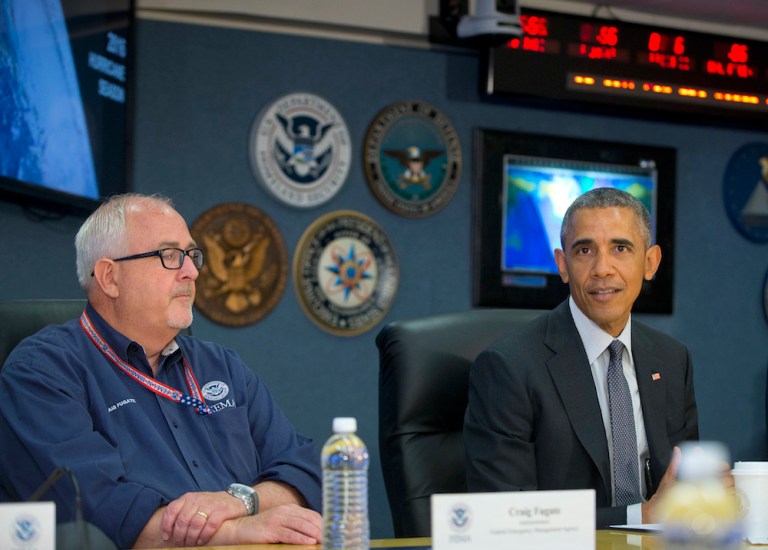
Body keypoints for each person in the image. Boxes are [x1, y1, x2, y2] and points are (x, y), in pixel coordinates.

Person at [0, 193, 322, 548]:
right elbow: (92, 508)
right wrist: (233, 531)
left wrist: (241, 501)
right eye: (170, 256)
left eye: (192, 255)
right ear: (110, 277)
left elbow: (304, 470)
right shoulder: (42, 372)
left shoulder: (223, 366)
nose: (192, 271)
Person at [464, 187, 699, 528]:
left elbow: (680, 485)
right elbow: (504, 516)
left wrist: (705, 492)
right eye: (585, 250)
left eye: (620, 248)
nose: (602, 269)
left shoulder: (673, 360)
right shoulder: (508, 367)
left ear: (650, 263)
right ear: (563, 265)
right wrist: (637, 516)